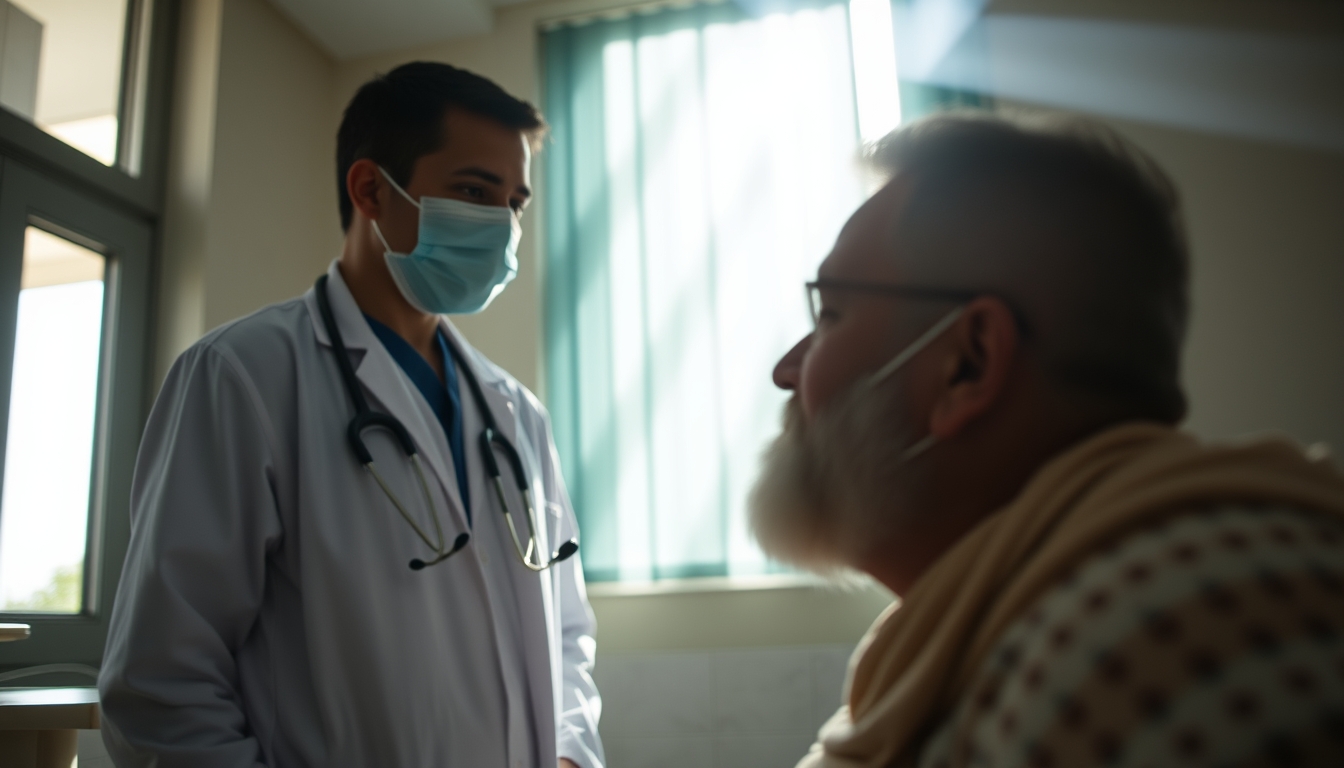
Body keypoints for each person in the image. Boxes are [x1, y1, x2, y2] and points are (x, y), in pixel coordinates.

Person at [749, 113, 1344, 768]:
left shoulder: (1167, 635)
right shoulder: (998, 630)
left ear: (968, 364)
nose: (787, 370)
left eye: (831, 315)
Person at [99, 62, 604, 768]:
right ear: (371, 189)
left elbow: (568, 633)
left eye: (514, 202)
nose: (503, 225)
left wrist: (573, 752)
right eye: (473, 191)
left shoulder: (516, 413)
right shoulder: (243, 377)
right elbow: (163, 684)